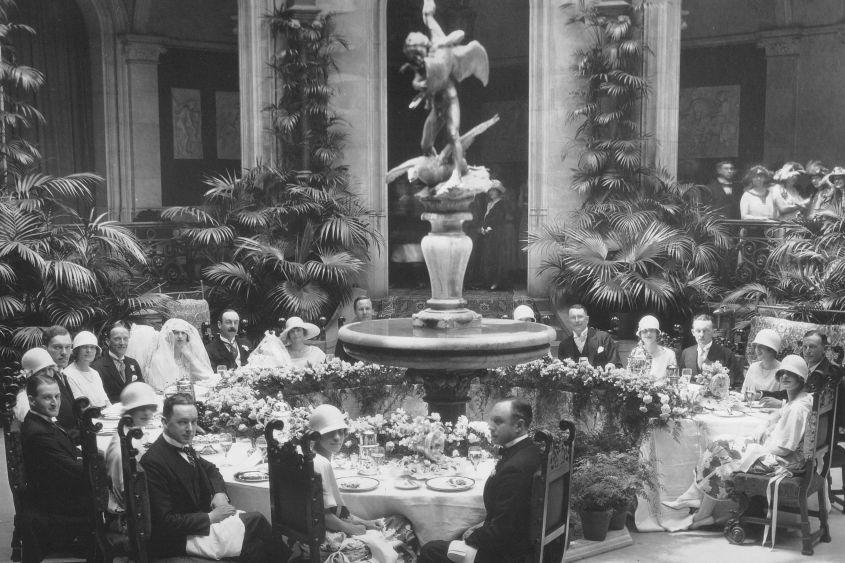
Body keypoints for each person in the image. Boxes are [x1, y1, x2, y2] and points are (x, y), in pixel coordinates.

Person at [141, 394, 285, 561]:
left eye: (194, 422)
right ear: (164, 423)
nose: (190, 428)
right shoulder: (154, 462)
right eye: (182, 422)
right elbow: (165, 522)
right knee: (256, 522)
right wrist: (210, 517)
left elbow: (211, 469)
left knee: (256, 545)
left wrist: (220, 493)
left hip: (197, 525)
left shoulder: (182, 445)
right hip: (178, 539)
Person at [663, 355, 813, 510]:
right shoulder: (800, 400)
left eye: (792, 374)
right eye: (782, 373)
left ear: (801, 378)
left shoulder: (798, 409)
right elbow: (780, 413)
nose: (785, 376)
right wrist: (766, 426)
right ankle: (698, 504)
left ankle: (695, 501)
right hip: (780, 456)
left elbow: (784, 449)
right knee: (720, 443)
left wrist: (753, 447)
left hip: (784, 464)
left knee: (720, 450)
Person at [419, 398, 541, 563]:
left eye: (498, 422)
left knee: (429, 550)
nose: (490, 426)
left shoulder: (516, 468)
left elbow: (501, 531)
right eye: (491, 420)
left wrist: (470, 537)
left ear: (518, 426)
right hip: (518, 544)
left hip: (504, 555)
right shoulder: (528, 450)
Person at [401, 0, 489, 193]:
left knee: (453, 134)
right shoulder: (421, 63)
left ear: (423, 47)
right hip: (436, 106)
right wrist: (421, 86)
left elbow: (461, 34)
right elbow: (418, 80)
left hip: (449, 100)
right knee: (425, 143)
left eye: (417, 54)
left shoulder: (439, 45)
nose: (416, 59)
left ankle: (457, 173)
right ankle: (438, 165)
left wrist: (445, 41)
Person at [19, 373, 89, 562]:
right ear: (32, 400)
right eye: (47, 397)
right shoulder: (38, 434)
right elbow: (75, 473)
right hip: (58, 503)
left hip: (58, 487)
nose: (55, 403)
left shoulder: (40, 419)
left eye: (57, 396)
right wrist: (101, 469)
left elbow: (66, 453)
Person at [760, 331, 844, 427]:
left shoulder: (829, 372)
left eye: (812, 347)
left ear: (824, 349)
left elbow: (812, 403)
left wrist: (782, 404)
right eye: (805, 347)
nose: (807, 351)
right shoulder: (804, 367)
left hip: (820, 427)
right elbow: (793, 390)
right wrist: (761, 394)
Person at [105, 382, 159, 514]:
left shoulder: (132, 433)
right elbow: (128, 495)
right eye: (141, 408)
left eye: (150, 408)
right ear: (129, 411)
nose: (147, 413)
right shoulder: (123, 447)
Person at [14, 326, 77, 432]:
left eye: (68, 347)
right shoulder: (27, 399)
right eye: (57, 347)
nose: (64, 353)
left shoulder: (61, 376)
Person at [143, 318, 214, 392]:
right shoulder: (159, 359)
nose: (180, 336)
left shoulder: (187, 356)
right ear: (168, 336)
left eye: (183, 333)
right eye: (176, 333)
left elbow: (206, 376)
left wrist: (192, 359)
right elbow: (160, 389)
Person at [677, 314, 740, 387]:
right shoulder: (686, 353)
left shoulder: (727, 354)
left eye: (705, 331)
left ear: (713, 332)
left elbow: (737, 384)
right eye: (698, 331)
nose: (701, 335)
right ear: (693, 332)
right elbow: (680, 380)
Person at [93, 322, 144, 403]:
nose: (122, 343)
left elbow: (142, 389)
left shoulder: (133, 363)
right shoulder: (97, 367)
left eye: (125, 339)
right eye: (117, 339)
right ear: (108, 341)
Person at [478, 181, 515, 290]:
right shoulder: (489, 204)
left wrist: (489, 228)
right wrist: (483, 228)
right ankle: (488, 281)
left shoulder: (502, 203)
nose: (491, 193)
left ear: (498, 192)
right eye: (490, 191)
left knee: (496, 257)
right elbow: (485, 218)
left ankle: (497, 282)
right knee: (488, 257)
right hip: (488, 234)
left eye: (493, 191)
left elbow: (499, 219)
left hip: (498, 234)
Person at [64, 330, 110, 409]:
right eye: (85, 347)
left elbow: (106, 401)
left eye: (92, 347)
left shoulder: (95, 373)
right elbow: (81, 407)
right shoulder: (68, 374)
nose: (89, 351)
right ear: (77, 350)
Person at [629, 315, 677, 384]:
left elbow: (673, 381)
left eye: (652, 330)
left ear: (657, 333)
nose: (648, 333)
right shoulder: (635, 352)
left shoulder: (669, 354)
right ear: (640, 334)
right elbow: (630, 378)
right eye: (645, 331)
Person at [740, 329, 783, 395]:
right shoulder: (753, 367)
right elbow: (744, 393)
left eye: (761, 347)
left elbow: (784, 398)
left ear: (771, 349)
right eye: (756, 346)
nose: (757, 350)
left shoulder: (782, 371)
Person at [334, 296, 373, 363]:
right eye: (361, 309)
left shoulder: (380, 332)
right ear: (355, 312)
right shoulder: (345, 335)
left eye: (367, 308)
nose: (364, 312)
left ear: (372, 310)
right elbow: (339, 360)